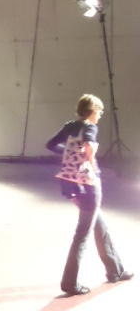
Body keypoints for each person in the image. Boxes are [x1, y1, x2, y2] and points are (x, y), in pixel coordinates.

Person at [46, 94, 133, 296]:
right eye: (99, 112)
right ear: (92, 110)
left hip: (70, 183)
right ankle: (69, 282)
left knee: (100, 226)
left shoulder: (70, 126)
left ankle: (115, 270)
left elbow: (51, 145)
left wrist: (68, 153)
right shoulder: (90, 127)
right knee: (82, 235)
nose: (100, 115)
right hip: (88, 185)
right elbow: (88, 149)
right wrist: (90, 163)